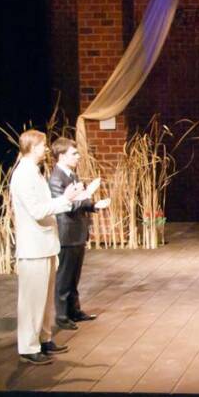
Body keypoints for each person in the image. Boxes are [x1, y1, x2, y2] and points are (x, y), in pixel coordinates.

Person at [10, 130, 85, 365]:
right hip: (33, 248)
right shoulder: (23, 174)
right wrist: (66, 199)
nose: (46, 149)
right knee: (32, 301)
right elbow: (37, 210)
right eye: (43, 145)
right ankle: (28, 347)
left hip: (45, 245)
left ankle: (43, 338)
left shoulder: (35, 171)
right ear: (32, 147)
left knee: (43, 300)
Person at [49, 138, 110, 331]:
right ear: (61, 156)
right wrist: (88, 200)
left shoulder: (71, 175)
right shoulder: (57, 178)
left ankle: (74, 310)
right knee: (64, 275)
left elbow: (78, 201)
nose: (78, 156)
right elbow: (65, 205)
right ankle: (61, 315)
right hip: (67, 231)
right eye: (74, 153)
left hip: (77, 230)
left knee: (74, 275)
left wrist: (92, 203)